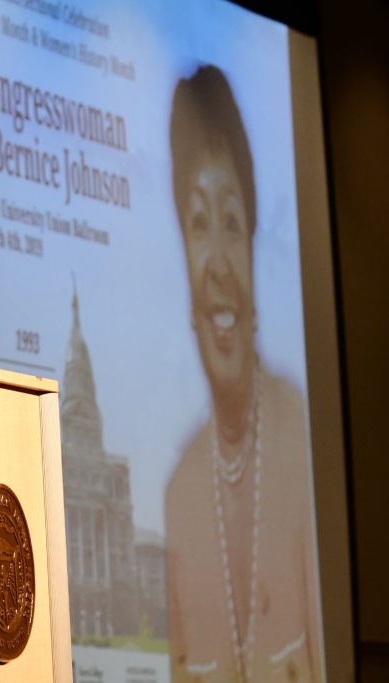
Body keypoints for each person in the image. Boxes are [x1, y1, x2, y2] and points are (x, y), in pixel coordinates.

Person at [164, 66, 322, 681]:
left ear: (255, 248)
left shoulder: (303, 436)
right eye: (199, 225)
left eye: (232, 223)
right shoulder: (177, 495)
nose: (218, 264)